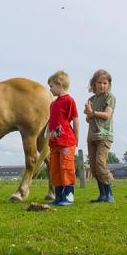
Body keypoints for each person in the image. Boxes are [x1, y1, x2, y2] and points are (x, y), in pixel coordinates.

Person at [46, 71, 80, 206]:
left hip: (66, 142)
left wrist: (76, 138)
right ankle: (59, 197)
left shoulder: (69, 101)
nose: (50, 89)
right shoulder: (53, 104)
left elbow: (75, 120)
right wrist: (49, 135)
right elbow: (51, 122)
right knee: (55, 170)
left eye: (51, 86)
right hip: (54, 143)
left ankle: (69, 197)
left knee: (66, 168)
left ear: (60, 85)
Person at [84, 69, 116, 203]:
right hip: (92, 136)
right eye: (99, 83)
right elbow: (88, 119)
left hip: (104, 136)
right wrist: (88, 113)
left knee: (100, 163)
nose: (102, 85)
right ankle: (102, 194)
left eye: (105, 83)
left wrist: (93, 113)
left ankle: (109, 193)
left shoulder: (110, 97)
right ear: (94, 84)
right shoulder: (91, 99)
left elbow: (107, 115)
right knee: (93, 167)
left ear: (108, 84)